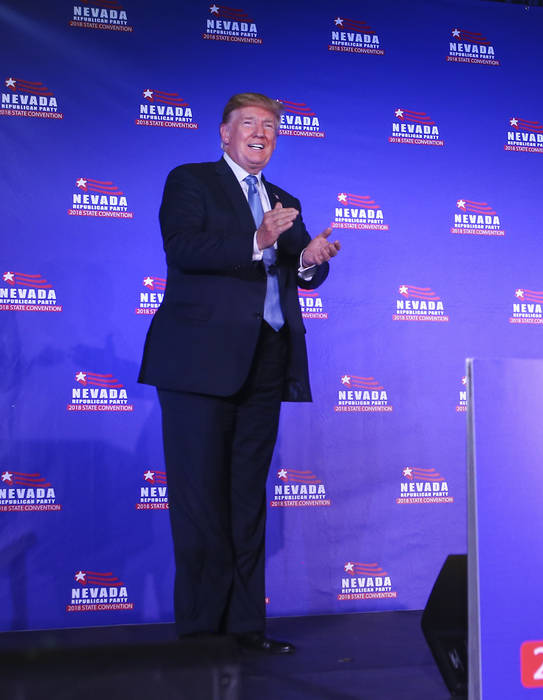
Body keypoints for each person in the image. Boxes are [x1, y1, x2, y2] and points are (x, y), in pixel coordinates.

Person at [139, 92, 340, 654]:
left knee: (248, 497)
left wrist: (309, 259)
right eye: (249, 123)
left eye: (271, 126)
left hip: (266, 362)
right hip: (198, 364)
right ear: (224, 134)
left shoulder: (285, 199)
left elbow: (300, 276)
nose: (261, 133)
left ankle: (246, 625)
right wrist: (257, 240)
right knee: (201, 498)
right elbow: (183, 249)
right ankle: (203, 629)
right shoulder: (192, 181)